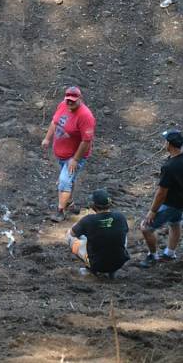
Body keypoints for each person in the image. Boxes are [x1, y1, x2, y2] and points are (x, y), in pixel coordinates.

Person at [138, 129, 183, 268]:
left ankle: (153, 256)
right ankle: (170, 253)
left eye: (165, 141)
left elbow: (161, 193)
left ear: (169, 144)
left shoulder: (170, 167)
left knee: (146, 228)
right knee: (175, 222)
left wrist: (152, 211)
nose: (164, 143)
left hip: (174, 202)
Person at [41, 86, 97, 222]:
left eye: (73, 100)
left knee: (64, 181)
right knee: (68, 180)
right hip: (61, 154)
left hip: (74, 156)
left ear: (80, 99)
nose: (70, 103)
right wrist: (47, 138)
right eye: (68, 100)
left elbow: (86, 141)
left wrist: (75, 159)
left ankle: (60, 210)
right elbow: (55, 122)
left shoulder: (86, 116)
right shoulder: (62, 105)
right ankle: (70, 203)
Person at [66, 189, 130, 278]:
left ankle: (90, 269)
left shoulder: (88, 220)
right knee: (120, 234)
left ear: (93, 205)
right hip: (119, 263)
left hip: (98, 265)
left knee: (70, 235)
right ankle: (112, 271)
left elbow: (73, 234)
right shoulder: (120, 217)